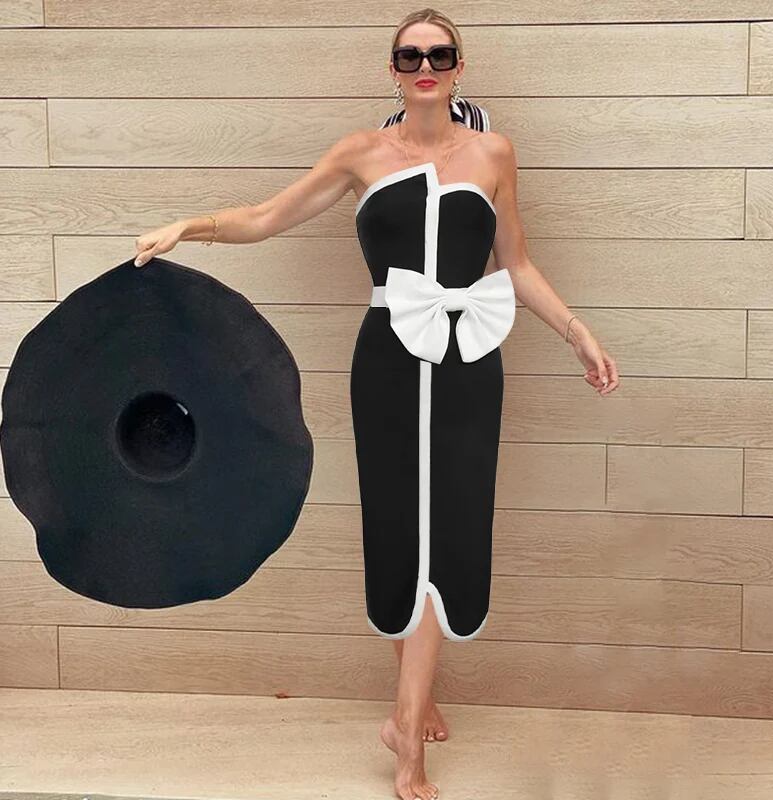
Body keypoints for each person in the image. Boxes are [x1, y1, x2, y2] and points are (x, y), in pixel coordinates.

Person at [133, 9, 620, 800]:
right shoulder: (360, 153)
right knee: (399, 525)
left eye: (440, 54)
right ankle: (409, 715)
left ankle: (406, 723)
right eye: (410, 55)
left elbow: (516, 264)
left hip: (469, 361)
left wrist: (577, 333)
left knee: (451, 523)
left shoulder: (495, 154)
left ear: (459, 67)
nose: (425, 66)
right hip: (388, 360)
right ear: (392, 69)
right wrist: (190, 226)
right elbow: (266, 216)